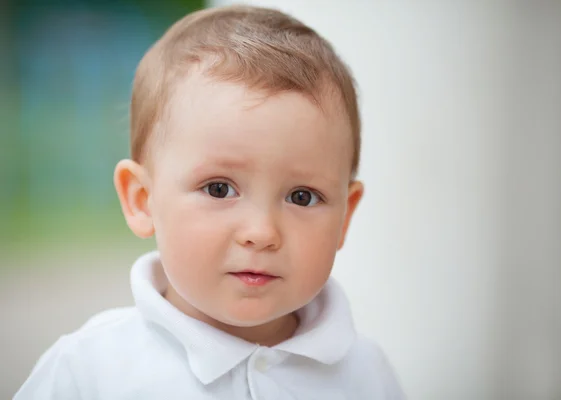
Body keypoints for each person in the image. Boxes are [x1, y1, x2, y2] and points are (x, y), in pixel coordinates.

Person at [15, 5, 405, 399]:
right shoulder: (90, 372)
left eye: (301, 197)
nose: (261, 232)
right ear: (143, 200)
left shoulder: (365, 376)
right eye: (219, 189)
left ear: (344, 217)